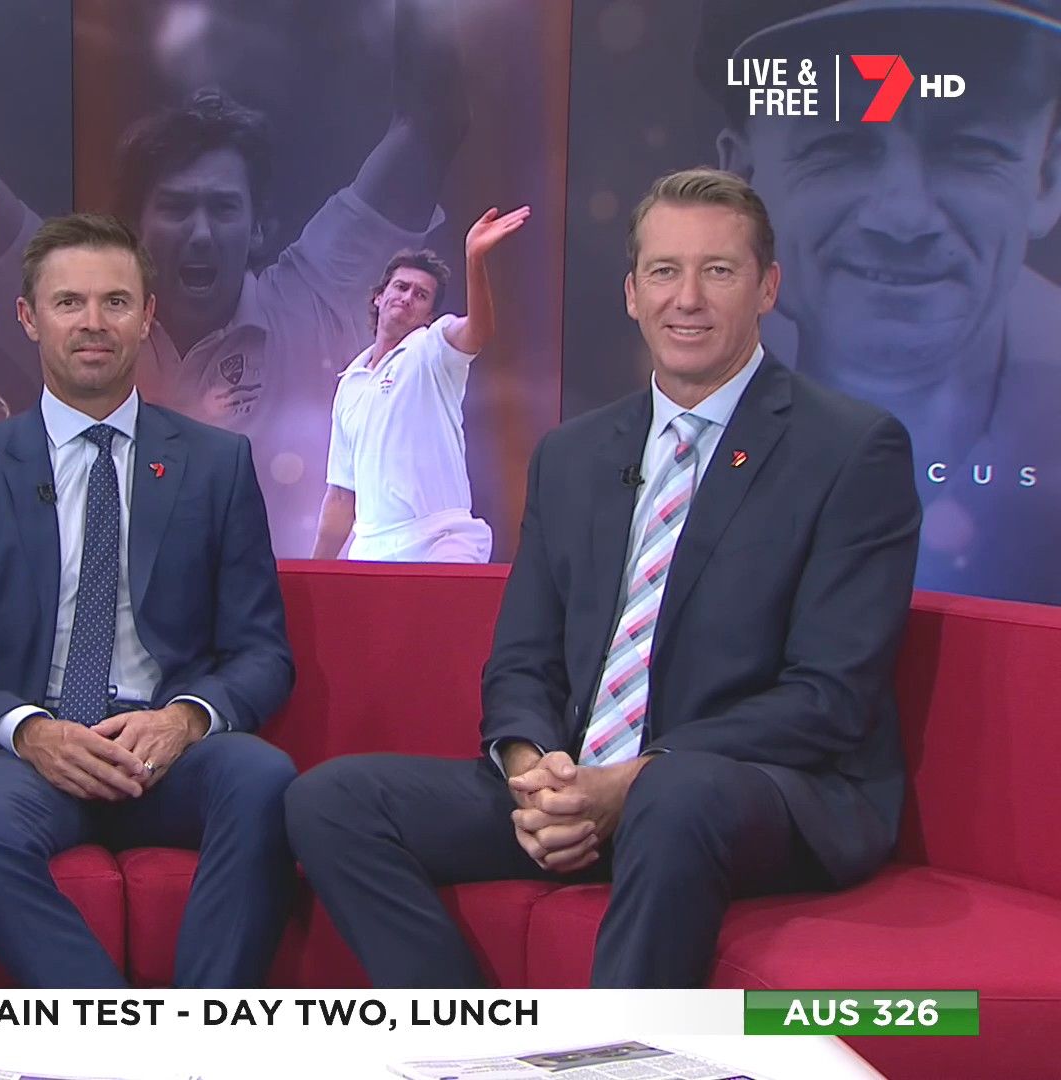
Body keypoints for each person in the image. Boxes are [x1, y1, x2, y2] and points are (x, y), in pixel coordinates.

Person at [286, 168, 922, 987]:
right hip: (579, 780)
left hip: (750, 788)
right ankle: (478, 1043)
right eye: (664, 271)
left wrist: (630, 781)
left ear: (767, 287)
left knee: (674, 797)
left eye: (718, 271)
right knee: (330, 801)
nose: (686, 299)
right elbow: (522, 659)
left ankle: (616, 1051)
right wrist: (535, 773)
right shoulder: (574, 454)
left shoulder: (848, 449)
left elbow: (829, 695)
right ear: (631, 293)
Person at [0, 0, 468, 554]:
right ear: (134, 232)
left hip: (303, 626)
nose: (201, 233)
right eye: (177, 208)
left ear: (259, 227)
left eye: (223, 208)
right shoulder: (77, 319)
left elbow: (431, 124)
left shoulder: (313, 301)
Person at [0, 213, 299, 988]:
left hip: (166, 750)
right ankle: (113, 1038)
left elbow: (262, 654)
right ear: (28, 317)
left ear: (146, 317)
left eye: (115, 302)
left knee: (264, 781)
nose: (92, 322)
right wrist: (33, 731)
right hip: (31, 754)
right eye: (68, 302)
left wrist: (183, 720)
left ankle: (209, 1033)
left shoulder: (216, 464)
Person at [695, 0, 1061, 604]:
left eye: (969, 149)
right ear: (744, 178)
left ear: (1047, 177)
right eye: (839, 148)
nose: (904, 218)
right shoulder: (670, 416)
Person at [312, 205, 531, 562]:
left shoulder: (432, 348)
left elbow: (478, 331)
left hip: (442, 541)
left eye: (420, 295)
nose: (407, 297)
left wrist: (474, 259)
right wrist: (313, 576)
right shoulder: (349, 384)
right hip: (371, 550)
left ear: (429, 315)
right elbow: (340, 496)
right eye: (401, 287)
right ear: (378, 296)